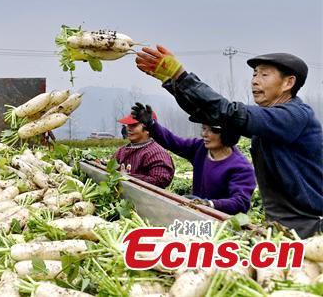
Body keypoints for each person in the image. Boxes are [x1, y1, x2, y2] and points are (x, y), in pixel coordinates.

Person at [136, 46, 322, 238]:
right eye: (254, 74)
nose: (255, 81)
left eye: (264, 75)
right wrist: (173, 82)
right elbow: (212, 114)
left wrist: (181, 76)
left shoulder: (295, 116)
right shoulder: (270, 121)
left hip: (307, 225)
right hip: (280, 224)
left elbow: (230, 113)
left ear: (288, 82)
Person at [130, 103, 256, 215]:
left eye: (211, 130)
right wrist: (152, 125)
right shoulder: (200, 149)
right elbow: (173, 142)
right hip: (196, 215)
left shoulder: (240, 167)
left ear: (227, 134)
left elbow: (240, 202)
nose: (204, 134)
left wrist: (209, 204)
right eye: (204, 128)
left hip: (222, 223)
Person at [114, 109, 175, 188]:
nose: (128, 129)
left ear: (148, 129)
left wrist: (129, 177)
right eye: (128, 125)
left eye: (134, 125)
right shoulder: (121, 151)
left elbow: (160, 180)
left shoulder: (157, 153)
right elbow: (112, 167)